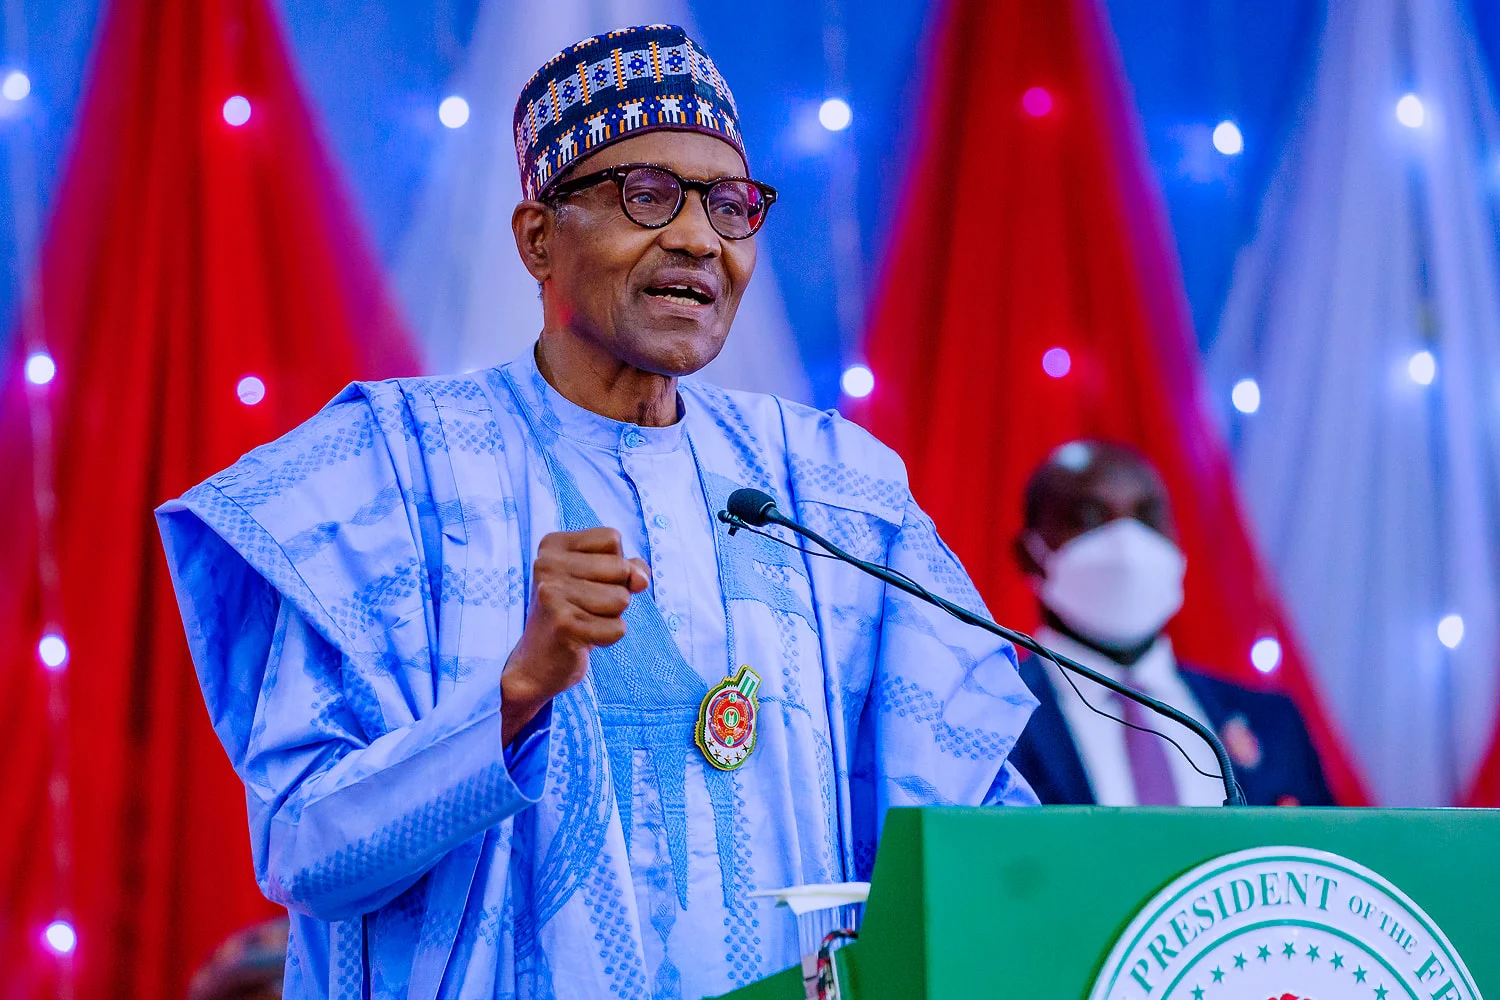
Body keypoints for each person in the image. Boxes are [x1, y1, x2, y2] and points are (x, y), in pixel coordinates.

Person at [156, 25, 1037, 1000]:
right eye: (647, 196)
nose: (701, 239)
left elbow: (976, 828)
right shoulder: (386, 474)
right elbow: (306, 847)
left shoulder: (830, 483)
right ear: (538, 236)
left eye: (731, 205)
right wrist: (513, 696)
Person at [1005, 440, 1333, 807]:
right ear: (1027, 556)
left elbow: (1325, 859)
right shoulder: (995, 725)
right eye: (1090, 519)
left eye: (1146, 518)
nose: (1128, 545)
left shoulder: (1272, 722)